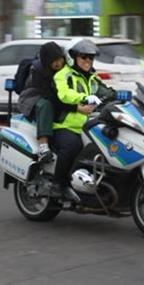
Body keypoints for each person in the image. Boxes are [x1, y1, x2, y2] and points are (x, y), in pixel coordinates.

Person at [51, 38, 115, 197]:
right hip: (64, 125)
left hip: (88, 126)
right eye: (84, 57)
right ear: (72, 57)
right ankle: (57, 184)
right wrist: (84, 98)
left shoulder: (92, 77)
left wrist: (122, 95)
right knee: (72, 146)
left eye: (91, 58)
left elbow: (105, 91)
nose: (88, 61)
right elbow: (64, 94)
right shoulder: (64, 75)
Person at [17, 41, 76, 163]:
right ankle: (43, 146)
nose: (58, 63)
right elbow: (49, 95)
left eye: (60, 59)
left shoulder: (67, 66)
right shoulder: (37, 70)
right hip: (32, 97)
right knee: (46, 105)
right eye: (53, 61)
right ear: (46, 61)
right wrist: (74, 107)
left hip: (52, 95)